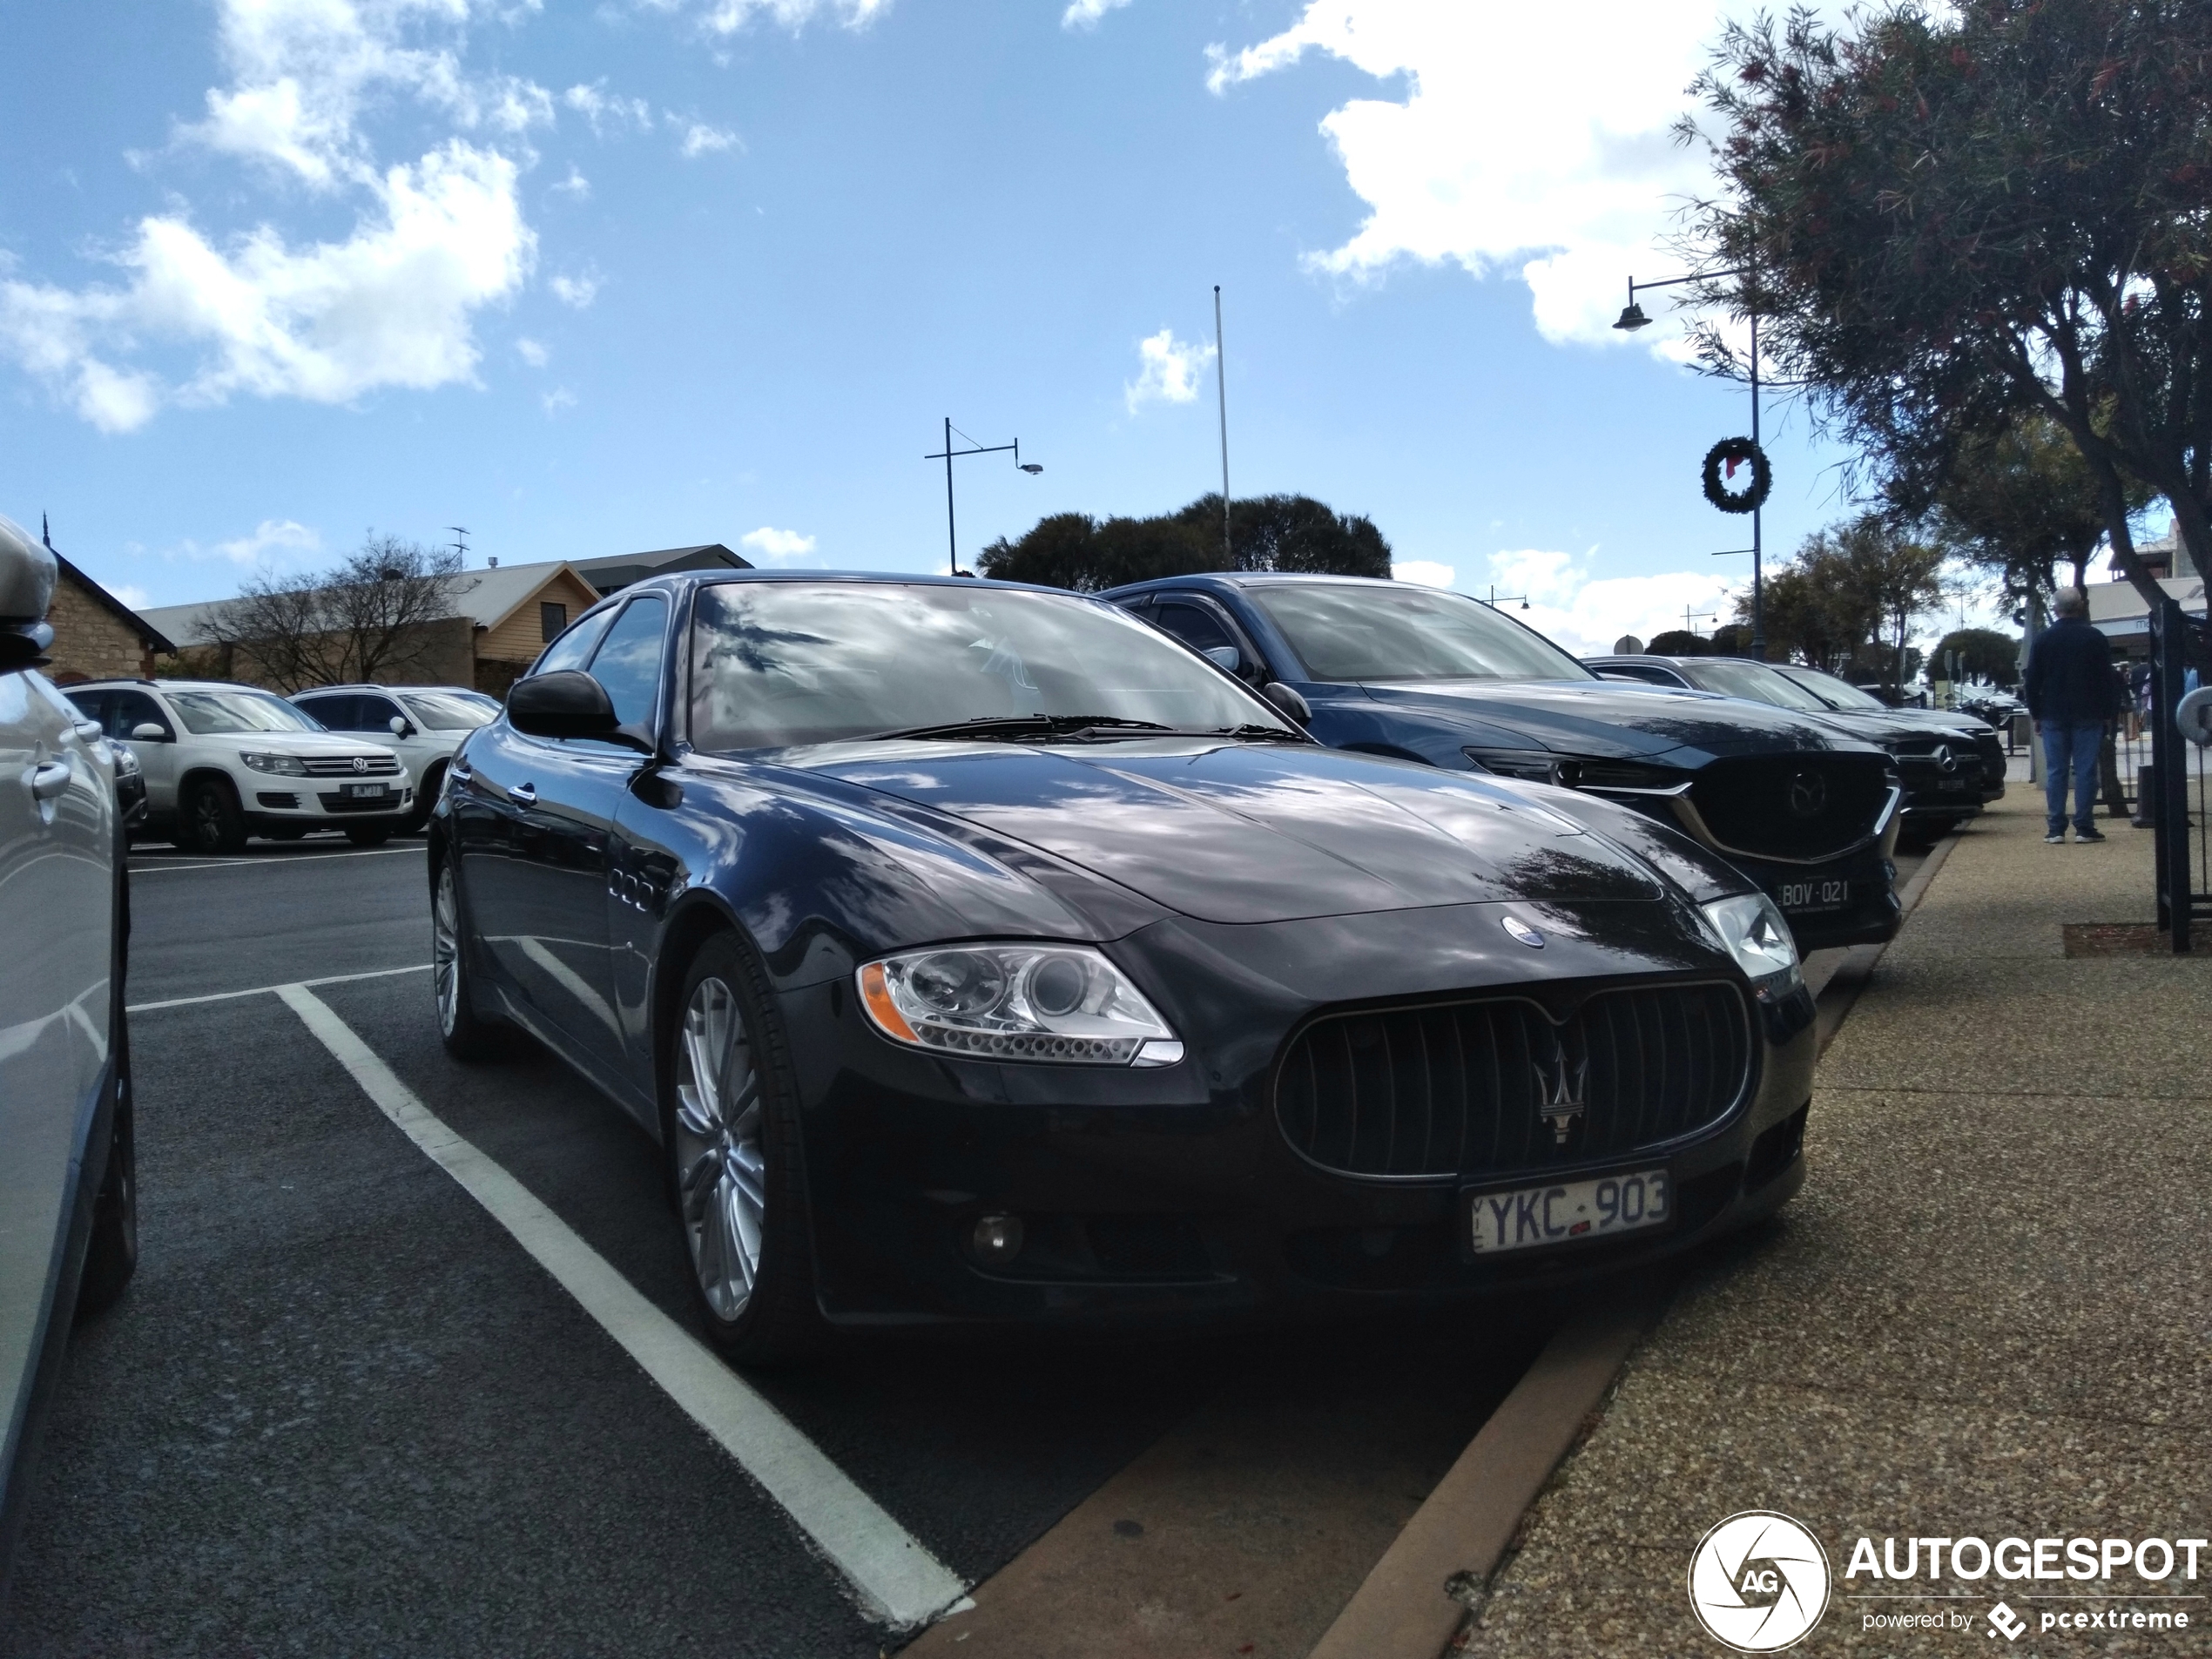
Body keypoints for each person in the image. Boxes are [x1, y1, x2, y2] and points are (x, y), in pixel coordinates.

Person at [2022, 588, 2121, 844]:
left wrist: (2036, 713)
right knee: (2086, 771)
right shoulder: (2094, 637)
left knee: (2057, 771)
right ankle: (2084, 826)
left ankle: (2056, 828)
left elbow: (2032, 679)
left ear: (2056, 608)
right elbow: (2106, 679)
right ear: (2081, 606)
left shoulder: (2044, 639)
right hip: (2089, 711)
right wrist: (2108, 712)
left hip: (2053, 712)